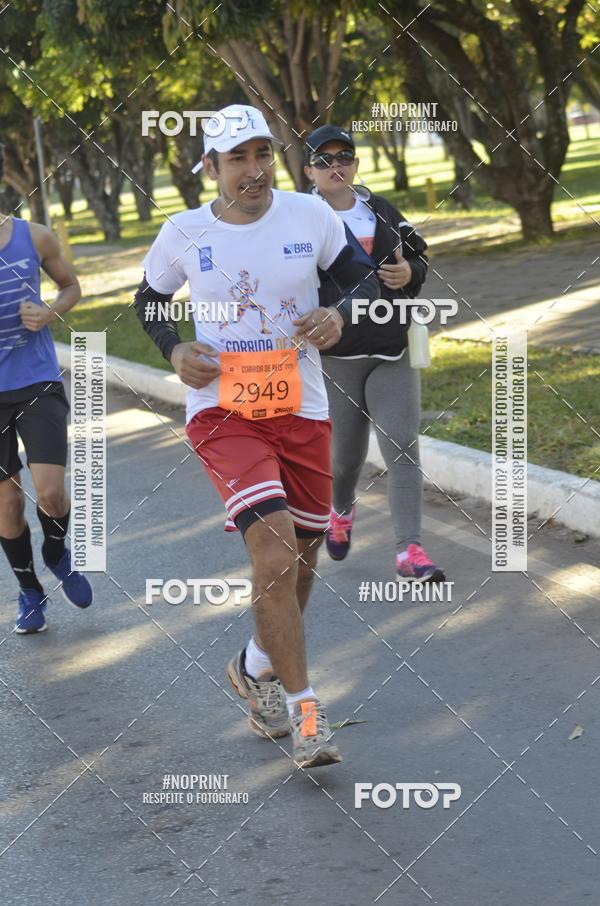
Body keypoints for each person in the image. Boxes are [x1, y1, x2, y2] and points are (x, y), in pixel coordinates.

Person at [134, 105, 379, 768]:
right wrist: (173, 347)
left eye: (261, 154)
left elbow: (358, 274)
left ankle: (254, 665)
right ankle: (305, 713)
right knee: (272, 559)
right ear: (209, 168)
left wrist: (337, 311)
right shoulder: (183, 231)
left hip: (303, 407)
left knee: (301, 561)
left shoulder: (309, 214)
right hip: (223, 411)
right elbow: (150, 298)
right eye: (236, 158)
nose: (253, 170)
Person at [304, 125, 445, 582]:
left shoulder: (380, 210)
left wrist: (411, 272)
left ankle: (410, 550)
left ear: (356, 163)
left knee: (402, 443)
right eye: (324, 160)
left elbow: (419, 257)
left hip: (392, 349)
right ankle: (340, 512)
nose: (336, 166)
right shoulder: (301, 219)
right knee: (345, 458)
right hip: (336, 358)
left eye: (344, 156)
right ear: (308, 169)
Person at [0, 145, 93, 633]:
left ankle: (56, 551)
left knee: (52, 493)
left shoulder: (33, 237)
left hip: (36, 378)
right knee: (8, 503)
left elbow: (71, 287)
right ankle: (29, 591)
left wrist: (49, 312)